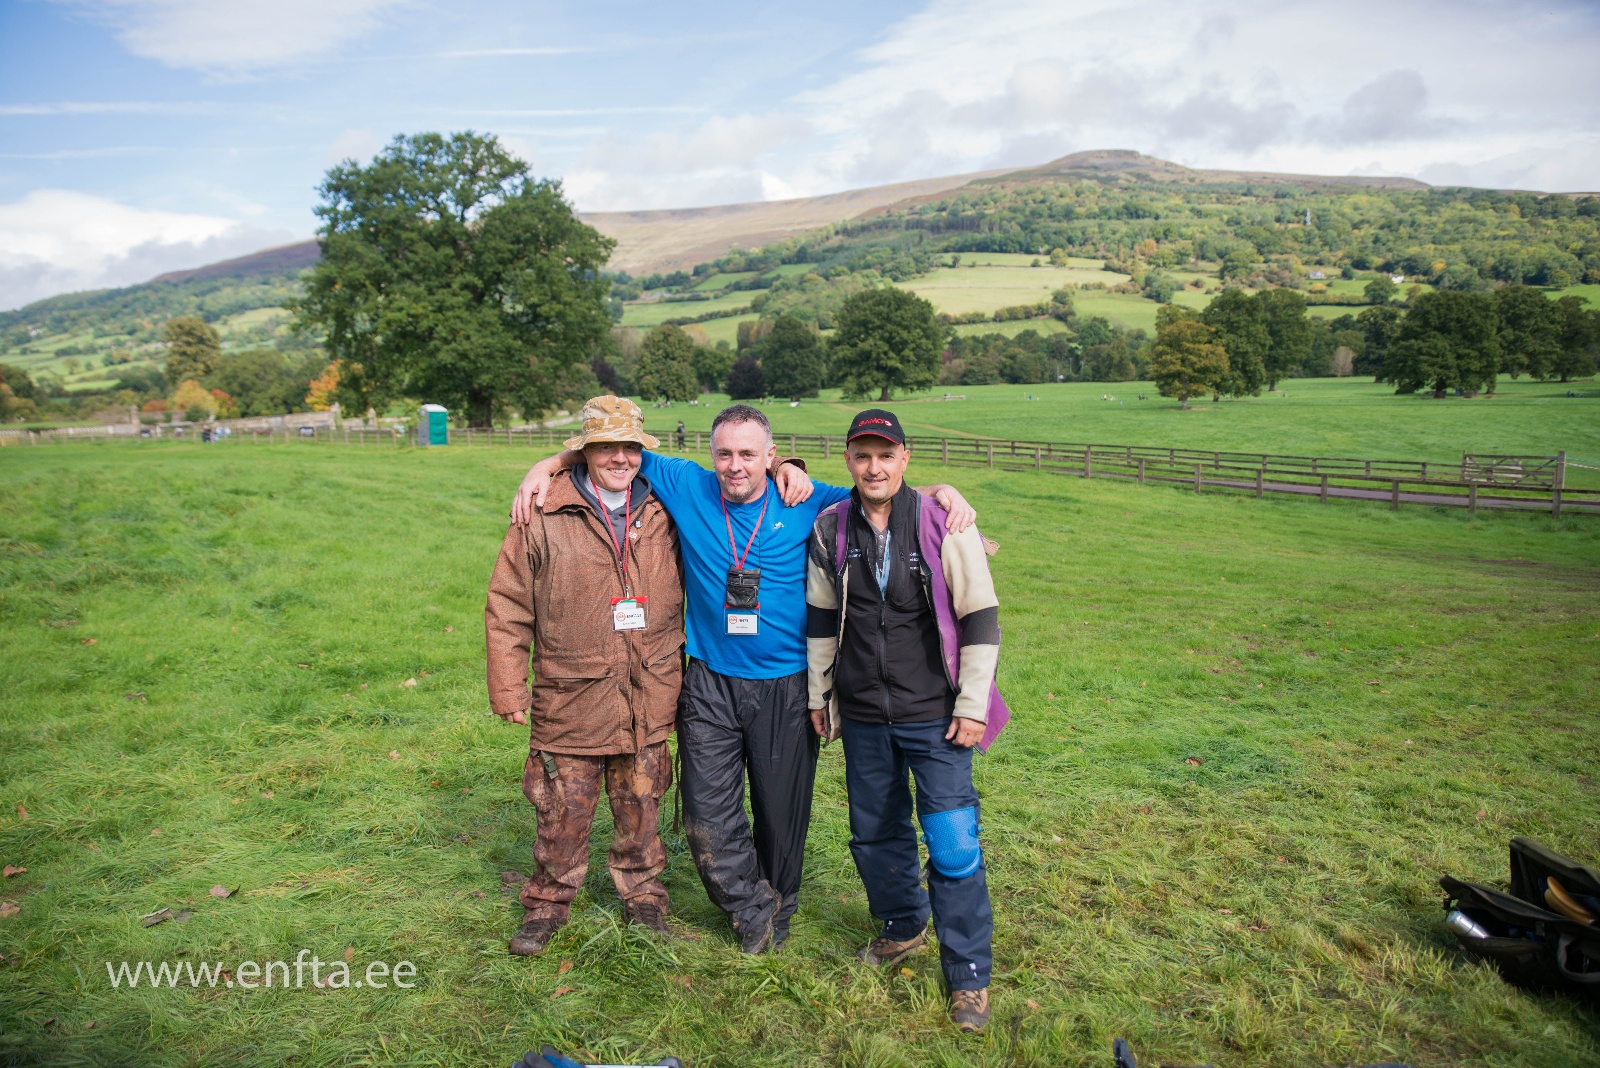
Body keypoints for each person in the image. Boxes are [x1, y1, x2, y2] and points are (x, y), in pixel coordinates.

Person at [510, 404, 976, 954]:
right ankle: (748, 906)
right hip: (709, 682)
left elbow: (879, 489)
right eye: (725, 453)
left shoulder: (808, 499)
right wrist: (547, 464)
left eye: (749, 454)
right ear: (711, 456)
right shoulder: (687, 483)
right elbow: (615, 454)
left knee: (782, 816)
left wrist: (943, 489)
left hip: (787, 682)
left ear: (771, 457)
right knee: (708, 811)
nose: (735, 466)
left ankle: (779, 909)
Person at [804, 408, 1010, 1033]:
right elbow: (819, 619)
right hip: (864, 715)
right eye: (863, 455)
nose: (874, 466)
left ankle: (969, 977)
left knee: (953, 845)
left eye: (885, 454)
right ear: (848, 460)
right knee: (874, 835)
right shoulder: (830, 528)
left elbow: (980, 618)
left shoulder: (944, 522)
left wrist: (973, 706)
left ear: (904, 458)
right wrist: (821, 697)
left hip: (937, 718)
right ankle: (902, 927)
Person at [485, 395, 685, 956]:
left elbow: (740, 473)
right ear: (585, 451)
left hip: (649, 690)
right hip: (570, 693)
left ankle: (643, 897)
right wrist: (506, 684)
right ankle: (547, 903)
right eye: (606, 447)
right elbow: (506, 604)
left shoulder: (668, 506)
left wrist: (786, 466)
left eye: (630, 447)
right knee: (563, 811)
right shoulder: (543, 509)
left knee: (642, 805)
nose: (620, 458)